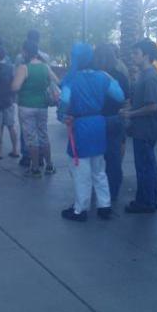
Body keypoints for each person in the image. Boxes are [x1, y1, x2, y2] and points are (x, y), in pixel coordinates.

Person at [60, 43, 125, 221]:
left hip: (81, 126)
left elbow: (64, 101)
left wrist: (63, 115)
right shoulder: (102, 77)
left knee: (81, 171)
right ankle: (105, 206)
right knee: (99, 169)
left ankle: (80, 210)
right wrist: (109, 77)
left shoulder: (71, 79)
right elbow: (119, 96)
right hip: (98, 124)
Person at [121, 39, 157, 214]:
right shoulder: (147, 74)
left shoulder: (150, 76)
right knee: (148, 164)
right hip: (144, 129)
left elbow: (152, 106)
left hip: (145, 129)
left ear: (146, 55)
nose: (132, 56)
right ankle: (150, 199)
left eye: (136, 53)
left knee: (144, 166)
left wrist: (130, 114)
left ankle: (146, 202)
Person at [12, 40, 59, 178]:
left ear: (25, 52)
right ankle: (49, 165)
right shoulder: (45, 67)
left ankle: (36, 168)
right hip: (42, 106)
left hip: (26, 106)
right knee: (43, 135)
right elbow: (56, 81)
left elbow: (15, 87)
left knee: (31, 138)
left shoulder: (24, 68)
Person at [93, 44, 130, 202]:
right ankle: (112, 191)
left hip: (95, 120)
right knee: (113, 158)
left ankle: (97, 190)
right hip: (115, 119)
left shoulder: (93, 77)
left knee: (95, 158)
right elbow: (125, 100)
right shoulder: (119, 77)